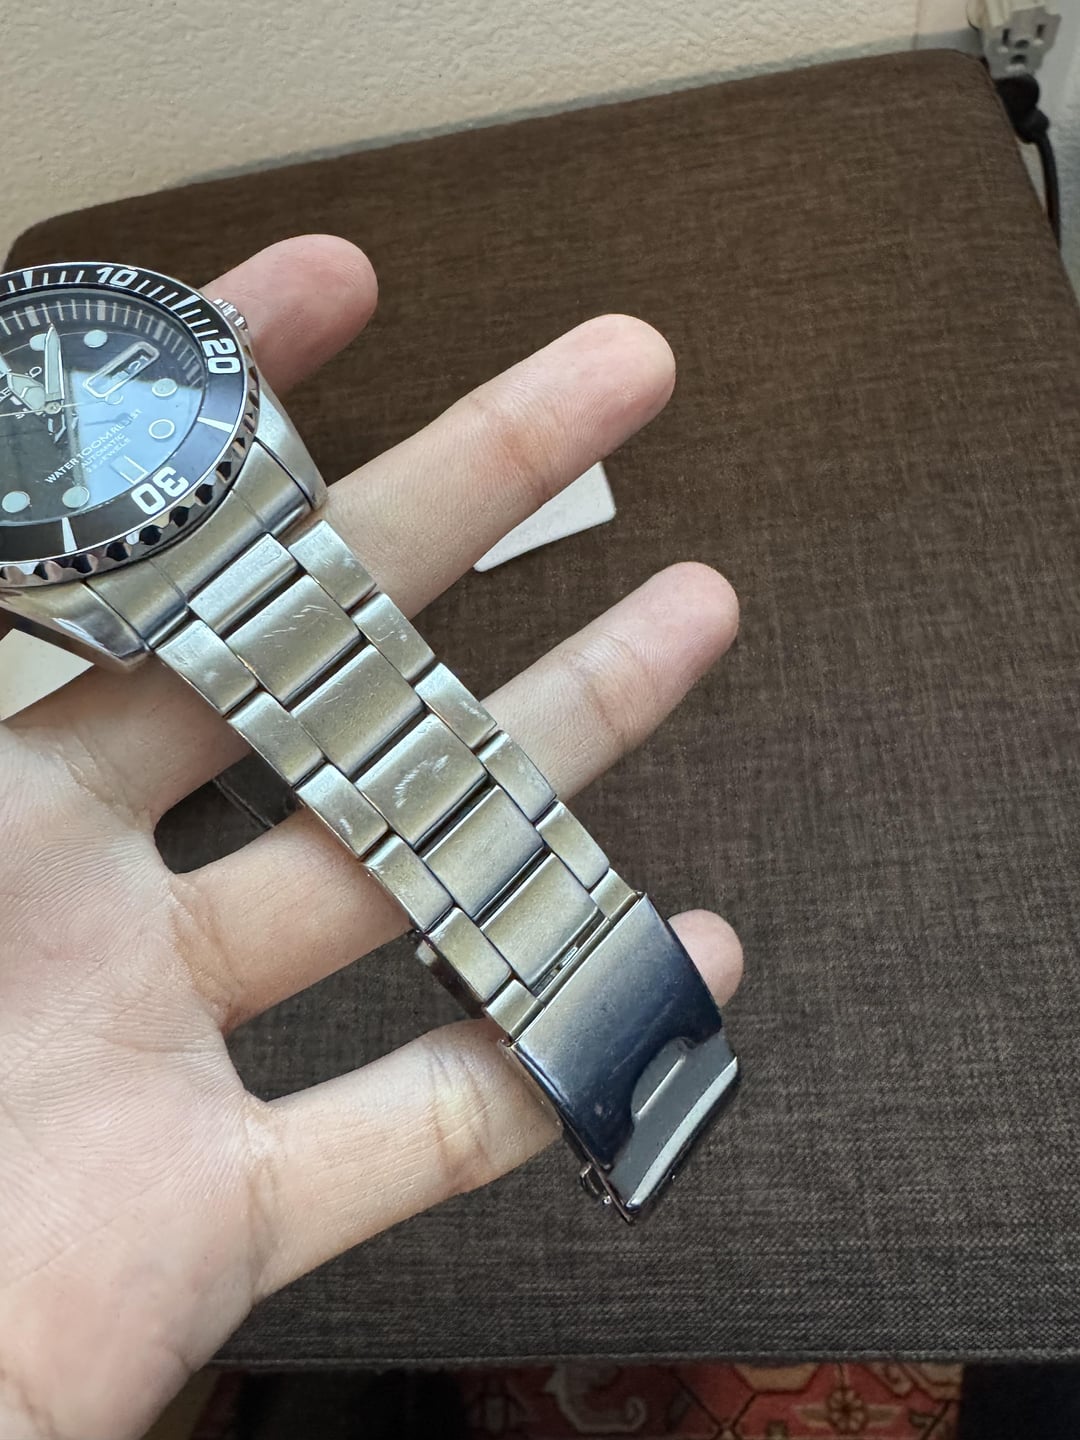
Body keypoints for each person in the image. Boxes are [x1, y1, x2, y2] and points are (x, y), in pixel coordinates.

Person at [0, 235, 743, 1440]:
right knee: (397, 760)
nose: (41, 411)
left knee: (434, 753)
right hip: (162, 578)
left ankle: (602, 985)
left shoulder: (167, 374)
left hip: (240, 516)